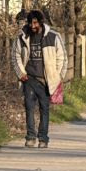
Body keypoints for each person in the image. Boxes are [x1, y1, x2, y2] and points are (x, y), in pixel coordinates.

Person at [12, 9, 67, 148]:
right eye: (30, 23)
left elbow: (62, 57)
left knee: (44, 109)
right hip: (28, 78)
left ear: (41, 22)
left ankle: (43, 138)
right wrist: (21, 73)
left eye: (35, 23)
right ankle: (30, 137)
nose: (32, 26)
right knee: (29, 108)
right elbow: (15, 56)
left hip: (46, 80)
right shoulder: (22, 37)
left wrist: (58, 76)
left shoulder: (53, 36)